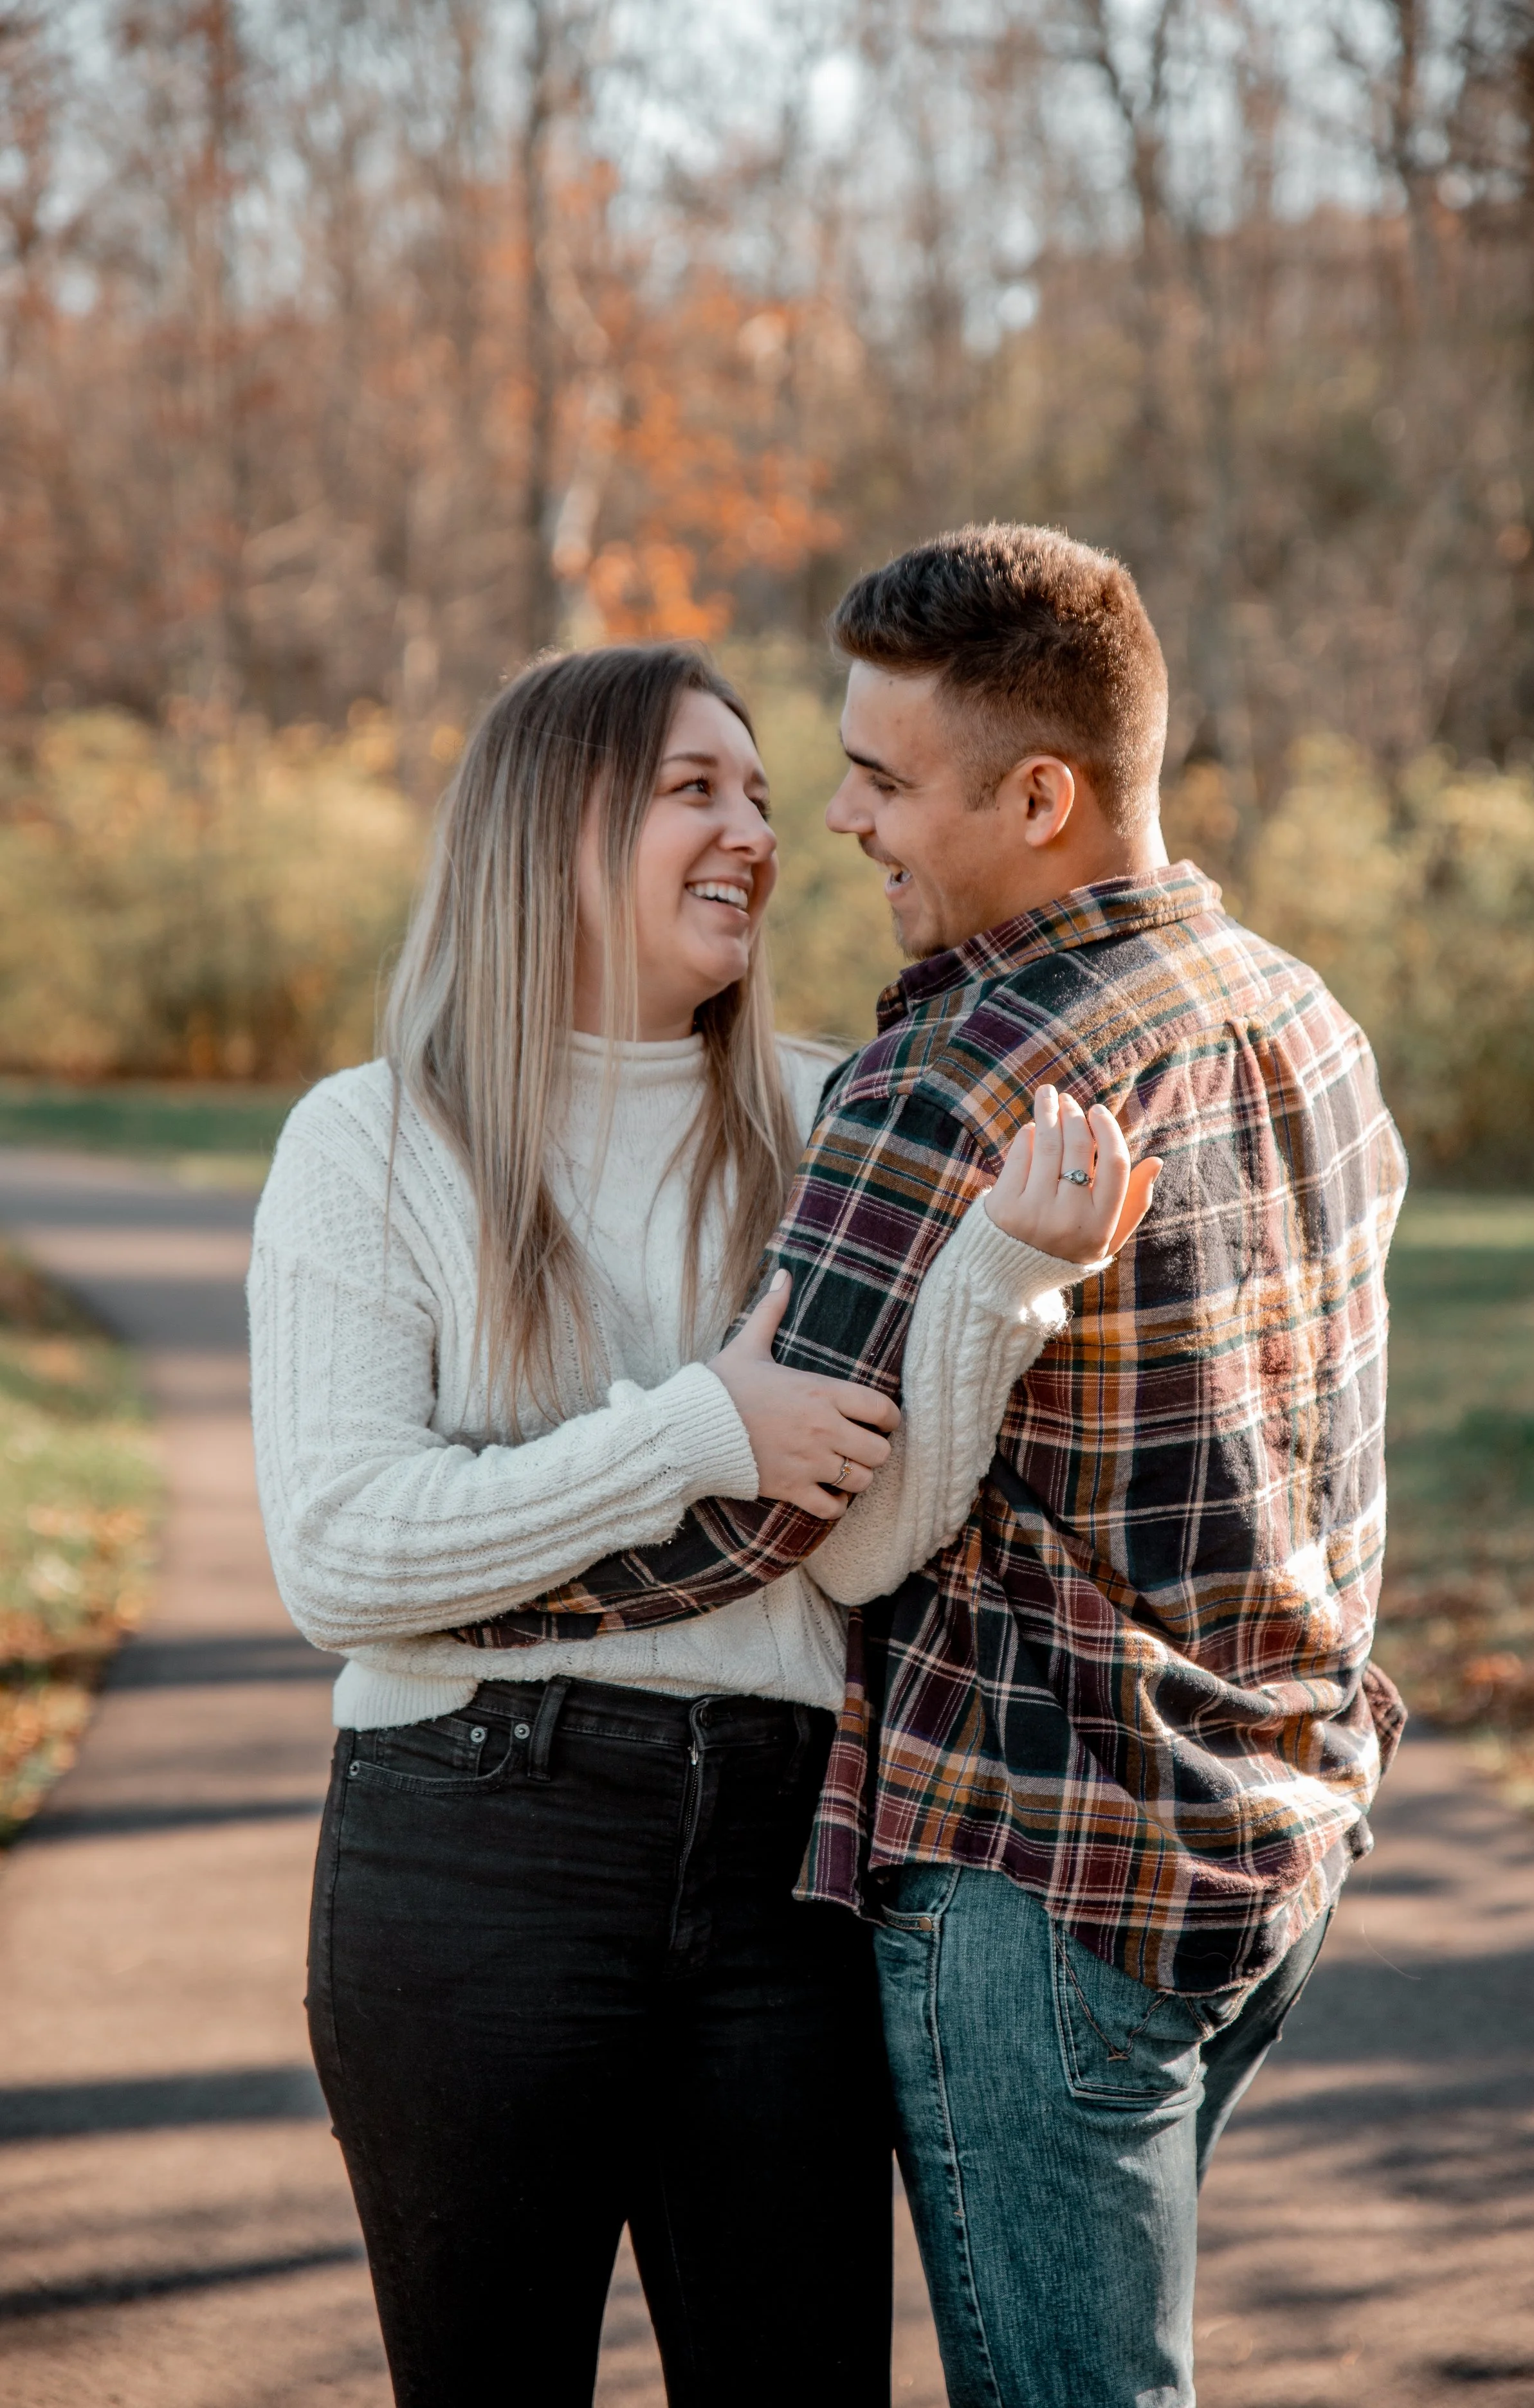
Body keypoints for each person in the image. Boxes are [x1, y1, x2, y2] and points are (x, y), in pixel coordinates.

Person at [460, 530, 1411, 2408]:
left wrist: (445, 1582)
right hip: (1278, 1837)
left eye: (883, 780)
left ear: (1039, 796)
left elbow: (771, 1512)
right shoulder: (1302, 1016)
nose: (837, 821)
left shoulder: (959, 1070)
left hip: (1039, 1872)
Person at [247, 640, 1156, 2408]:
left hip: (781, 1862)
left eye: (760, 791)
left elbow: (858, 1549)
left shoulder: (830, 1122)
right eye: (694, 788)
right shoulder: (371, 1144)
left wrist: (996, 1283)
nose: (756, 827)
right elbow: (345, 1556)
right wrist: (698, 1430)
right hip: (470, 1854)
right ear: (553, 826)